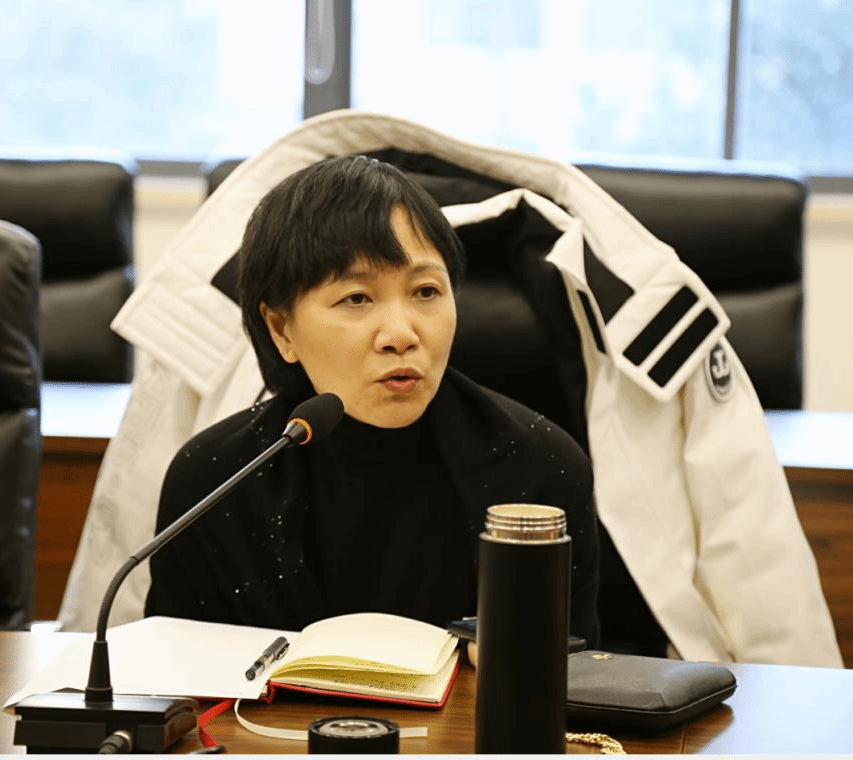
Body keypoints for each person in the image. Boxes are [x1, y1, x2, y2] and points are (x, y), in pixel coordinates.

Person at [144, 155, 600, 647]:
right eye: (357, 298)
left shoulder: (539, 471)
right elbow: (172, 680)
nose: (401, 335)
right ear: (281, 329)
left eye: (426, 291)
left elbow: (576, 678)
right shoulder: (215, 482)